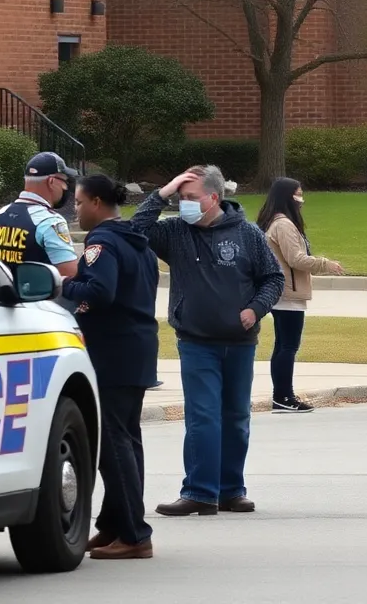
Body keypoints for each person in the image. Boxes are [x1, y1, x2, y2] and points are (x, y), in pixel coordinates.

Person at [132, 165, 283, 516]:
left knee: (235, 417)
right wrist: (163, 192)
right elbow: (135, 230)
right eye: (180, 199)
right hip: (197, 341)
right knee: (202, 417)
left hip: (240, 342)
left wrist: (255, 309)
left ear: (213, 198)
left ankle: (231, 490)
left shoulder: (247, 234)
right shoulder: (175, 233)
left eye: (189, 198)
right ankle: (199, 491)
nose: (182, 204)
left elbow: (273, 278)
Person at [62, 175, 159, 561]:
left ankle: (134, 533)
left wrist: (63, 284)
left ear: (98, 202)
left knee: (111, 445)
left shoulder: (101, 243)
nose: (76, 210)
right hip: (136, 347)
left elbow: (100, 293)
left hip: (112, 351)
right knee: (127, 441)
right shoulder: (137, 241)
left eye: (81, 203)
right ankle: (115, 524)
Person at [257, 177, 345, 414]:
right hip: (288, 292)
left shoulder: (274, 222)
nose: (301, 200)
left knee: (283, 345)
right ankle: (284, 396)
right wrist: (326, 264)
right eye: (298, 195)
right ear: (287, 197)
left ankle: (282, 395)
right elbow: (295, 258)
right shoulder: (283, 225)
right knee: (288, 345)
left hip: (283, 290)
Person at [0, 152, 79, 278]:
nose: (65, 187)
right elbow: (70, 274)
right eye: (64, 181)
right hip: (36, 296)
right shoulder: (50, 221)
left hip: (1, 294)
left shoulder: (0, 215)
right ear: (51, 181)